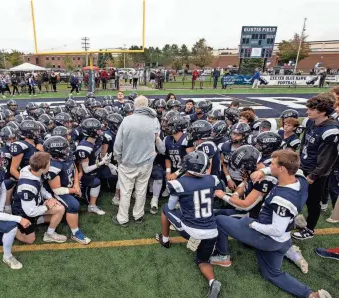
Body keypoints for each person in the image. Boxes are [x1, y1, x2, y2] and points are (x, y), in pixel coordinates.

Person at [211, 149, 333, 298]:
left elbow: (276, 229)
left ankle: (223, 257)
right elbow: (290, 170)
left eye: (273, 164)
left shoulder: (283, 198)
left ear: (281, 168)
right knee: (271, 273)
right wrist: (264, 171)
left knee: (219, 220)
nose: (269, 166)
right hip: (283, 241)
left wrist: (252, 224)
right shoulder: (299, 178)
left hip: (268, 237)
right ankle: (311, 295)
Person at [156, 151, 222, 298]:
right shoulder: (213, 179)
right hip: (212, 232)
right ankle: (212, 281)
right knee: (202, 261)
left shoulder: (178, 184)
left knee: (165, 209)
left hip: (191, 230)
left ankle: (165, 239)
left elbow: (171, 206)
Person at [292, 95, 339, 240]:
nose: (307, 111)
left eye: (312, 109)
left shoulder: (330, 130)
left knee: (313, 202)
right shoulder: (311, 122)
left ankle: (310, 229)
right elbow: (304, 144)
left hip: (317, 172)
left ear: (323, 111)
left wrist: (313, 175)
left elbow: (327, 159)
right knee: (300, 196)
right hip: (305, 165)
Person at [113, 96, 160, 226]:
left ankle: (122, 218)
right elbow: (156, 140)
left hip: (128, 162)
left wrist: (118, 159)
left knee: (126, 191)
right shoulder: (154, 120)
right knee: (141, 190)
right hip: (146, 163)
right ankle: (138, 215)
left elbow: (118, 144)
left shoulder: (127, 120)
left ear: (135, 106)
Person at [43, 136, 92, 244]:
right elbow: (57, 190)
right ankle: (75, 233)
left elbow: (73, 167)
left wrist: (76, 184)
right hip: (55, 192)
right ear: (56, 152)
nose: (67, 150)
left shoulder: (66, 157)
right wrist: (74, 190)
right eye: (64, 149)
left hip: (69, 186)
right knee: (74, 205)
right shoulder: (52, 166)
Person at [12, 151, 67, 245]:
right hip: (23, 213)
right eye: (49, 164)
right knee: (30, 240)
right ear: (42, 168)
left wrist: (50, 198)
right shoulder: (27, 187)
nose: (50, 166)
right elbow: (30, 212)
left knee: (60, 209)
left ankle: (49, 234)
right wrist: (47, 207)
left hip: (34, 205)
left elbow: (40, 188)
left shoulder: (32, 170)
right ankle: (11, 227)